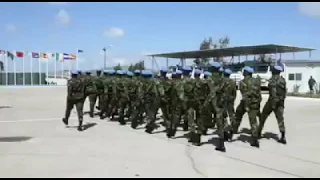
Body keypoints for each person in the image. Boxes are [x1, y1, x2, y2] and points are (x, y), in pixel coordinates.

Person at [230, 66, 261, 148]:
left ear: (246, 73)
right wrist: (258, 104)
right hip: (255, 103)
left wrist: (246, 106)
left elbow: (245, 95)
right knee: (253, 121)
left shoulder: (242, 82)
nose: (243, 73)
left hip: (246, 103)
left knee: (237, 116)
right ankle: (255, 139)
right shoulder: (257, 81)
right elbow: (259, 95)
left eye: (244, 71)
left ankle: (232, 132)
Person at [258, 65, 287, 144]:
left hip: (272, 101)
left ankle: (258, 132)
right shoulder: (282, 80)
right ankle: (283, 136)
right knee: (280, 119)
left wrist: (273, 104)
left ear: (274, 72)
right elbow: (284, 93)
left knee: (263, 116)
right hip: (280, 102)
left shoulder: (273, 80)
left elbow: (273, 92)